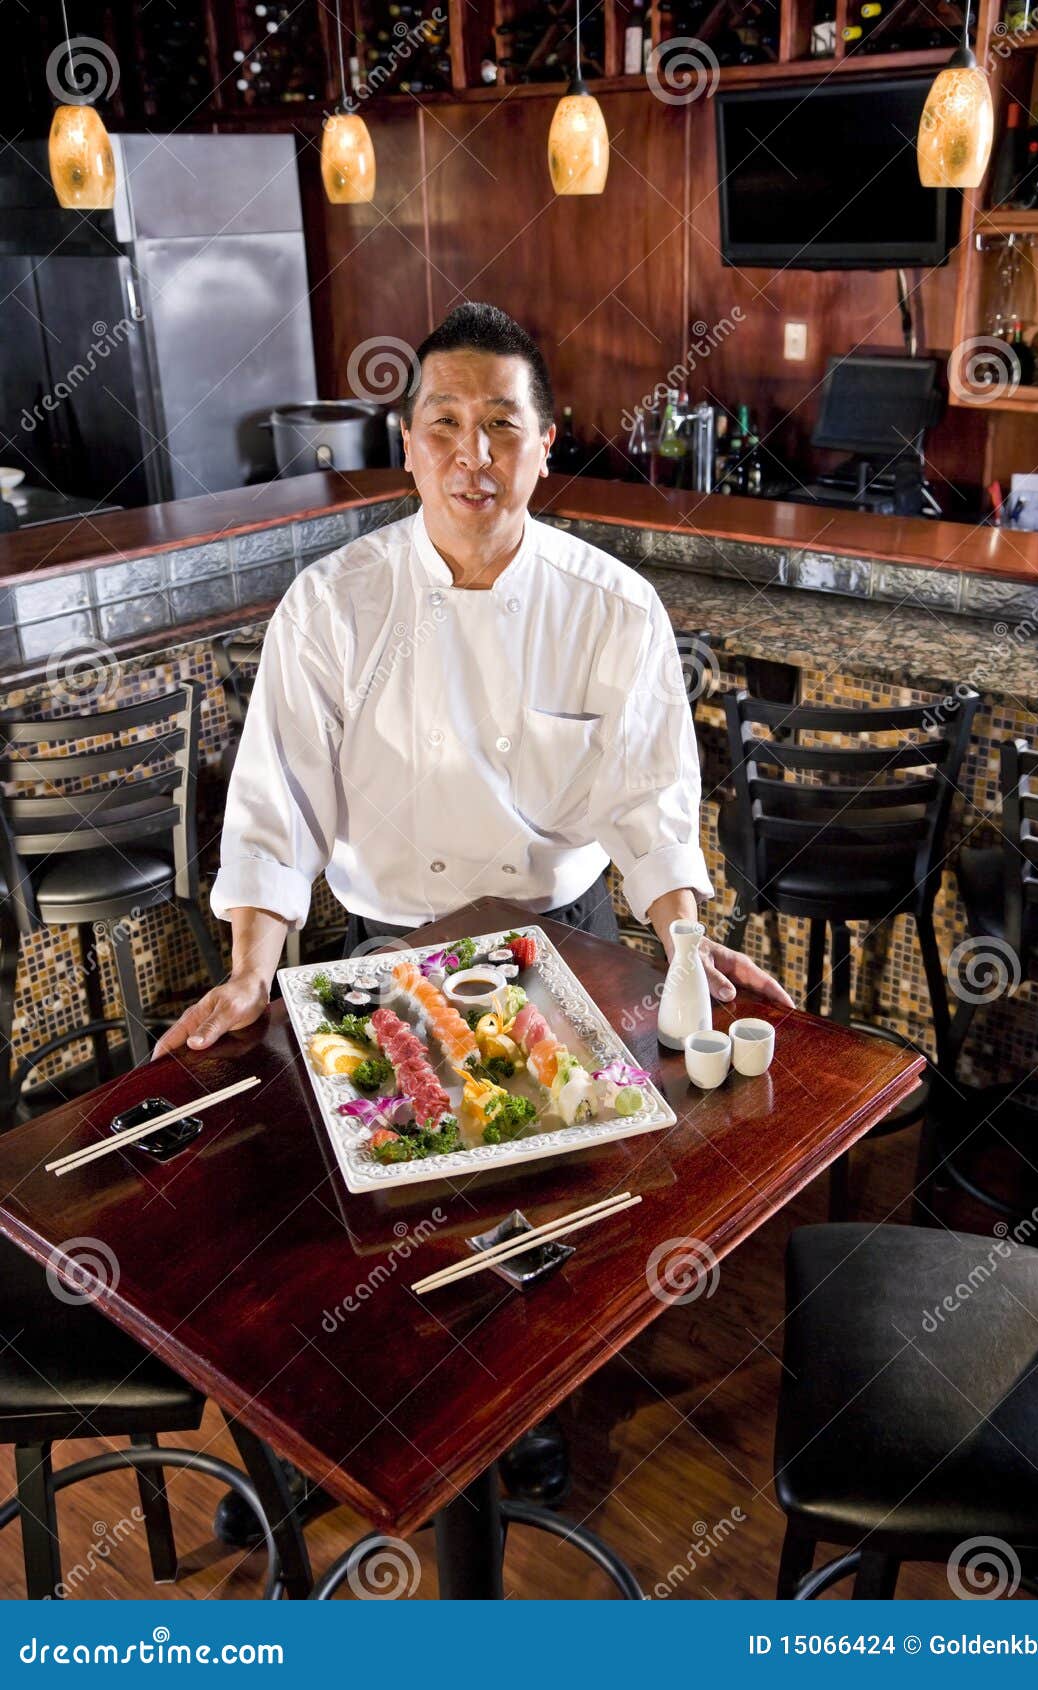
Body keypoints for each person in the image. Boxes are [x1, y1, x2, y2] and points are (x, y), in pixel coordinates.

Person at [153, 301, 790, 1542]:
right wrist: (248, 969)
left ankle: (517, 1417)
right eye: (443, 423)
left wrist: (678, 936)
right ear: (408, 446)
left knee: (535, 1202)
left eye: (501, 424)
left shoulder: (611, 606)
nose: (472, 455)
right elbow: (277, 801)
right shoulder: (333, 603)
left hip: (562, 938)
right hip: (382, 945)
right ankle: (359, 1428)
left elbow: (651, 801)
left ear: (546, 445)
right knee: (373, 1213)